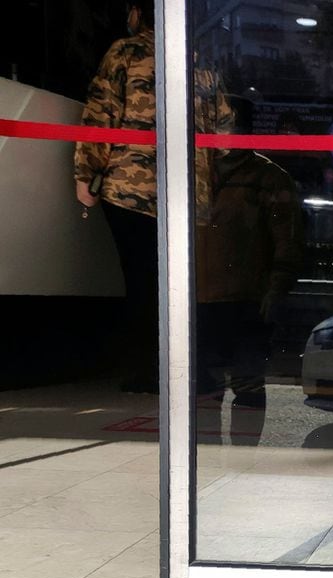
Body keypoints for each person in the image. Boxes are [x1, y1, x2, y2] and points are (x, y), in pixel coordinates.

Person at [194, 122, 304, 445]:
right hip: (199, 298)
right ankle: (205, 459)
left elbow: (288, 239)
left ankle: (243, 460)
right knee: (204, 387)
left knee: (248, 383)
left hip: (247, 299)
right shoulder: (197, 171)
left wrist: (277, 286)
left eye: (230, 123)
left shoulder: (268, 177)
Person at [74, 0, 158, 393]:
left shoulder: (125, 51)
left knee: (140, 279)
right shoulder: (198, 60)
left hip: (131, 189)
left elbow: (101, 113)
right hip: (188, 195)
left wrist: (86, 176)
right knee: (176, 282)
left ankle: (147, 369)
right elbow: (223, 127)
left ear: (137, 13)